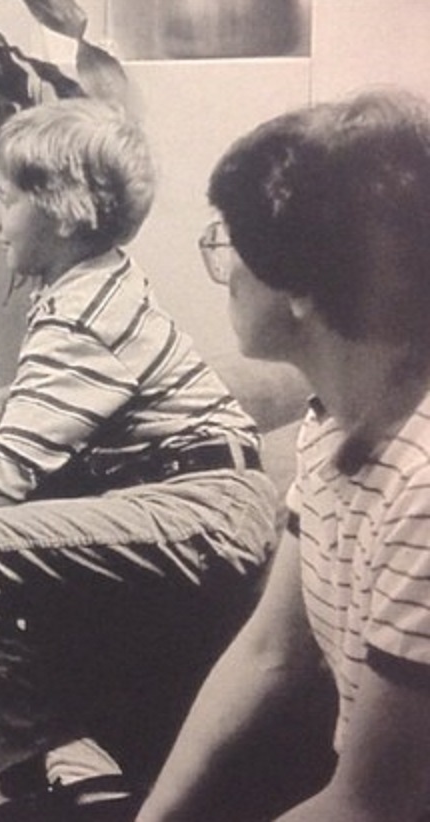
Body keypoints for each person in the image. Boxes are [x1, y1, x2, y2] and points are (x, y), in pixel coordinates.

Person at [0, 98, 282, 821]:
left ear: (63, 215)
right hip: (169, 500)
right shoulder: (92, 288)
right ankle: (69, 763)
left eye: (6, 199)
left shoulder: (81, 313)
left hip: (205, 508)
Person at [138, 88, 430, 821]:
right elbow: (269, 651)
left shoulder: (423, 488)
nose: (223, 265)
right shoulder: (334, 418)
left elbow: (371, 806)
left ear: (302, 283)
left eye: (230, 241)